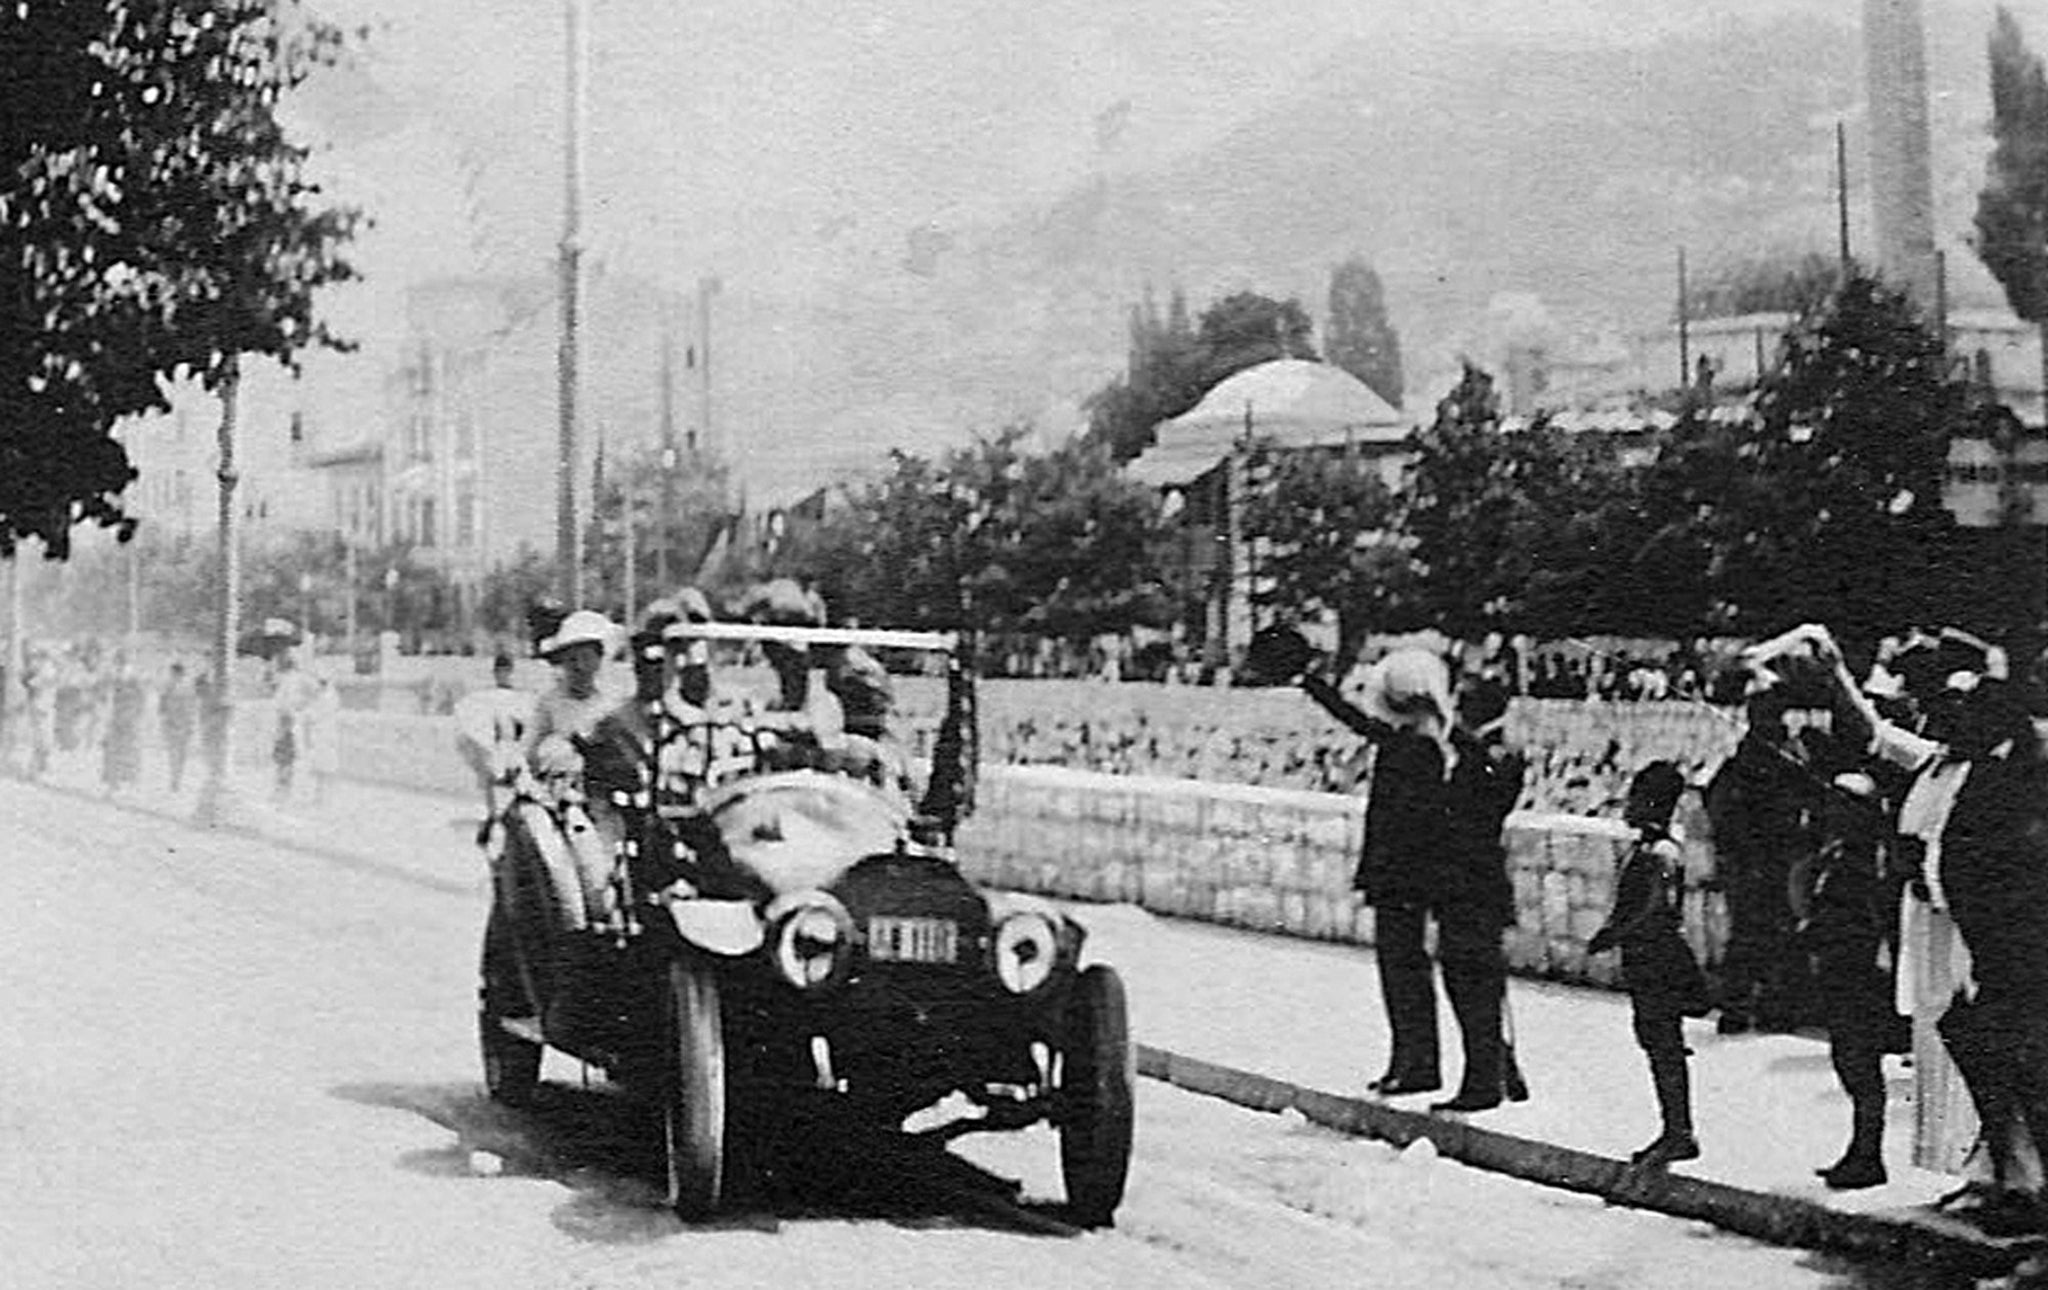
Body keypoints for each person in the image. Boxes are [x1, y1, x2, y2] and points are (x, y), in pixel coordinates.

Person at [1798, 622, 2048, 1233]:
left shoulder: (2006, 776)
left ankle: (2016, 1182)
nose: (1946, 717)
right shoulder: (1938, 763)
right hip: (1937, 928)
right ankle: (1985, 1176)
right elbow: (1873, 733)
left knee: (1998, 1050)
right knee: (1950, 1050)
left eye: (1959, 707)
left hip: (1978, 931)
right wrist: (1834, 675)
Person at [1250, 626, 1523, 1113]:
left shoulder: (1430, 748)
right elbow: (1364, 722)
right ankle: (1431, 1065)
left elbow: (1365, 724)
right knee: (1426, 972)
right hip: (1421, 874)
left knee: (1423, 971)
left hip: (1421, 875)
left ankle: (1443, 1067)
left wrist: (1311, 683)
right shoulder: (1429, 744)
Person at [1587, 761, 1712, 1168]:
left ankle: (1678, 1131)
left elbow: (1653, 907)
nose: (1629, 804)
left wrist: (1614, 933)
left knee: (1663, 1045)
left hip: (1657, 958)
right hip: (1648, 957)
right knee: (1656, 1041)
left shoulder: (1660, 852)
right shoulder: (1649, 848)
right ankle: (1675, 1129)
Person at [1795, 769, 1905, 1189]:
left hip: (1859, 973)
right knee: (1849, 1062)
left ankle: (1867, 1155)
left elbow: (1875, 918)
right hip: (1838, 969)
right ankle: (1860, 1151)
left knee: (1860, 1065)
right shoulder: (1838, 853)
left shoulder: (1870, 860)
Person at [1704, 668, 1820, 1033]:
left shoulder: (1753, 758)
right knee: (1770, 932)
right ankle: (1765, 1007)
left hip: (1761, 859)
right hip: (1766, 858)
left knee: (1753, 933)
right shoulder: (1773, 757)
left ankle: (1747, 1007)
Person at [454, 653, 537, 830]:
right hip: (499, 745)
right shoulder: (487, 697)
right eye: (499, 671)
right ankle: (492, 816)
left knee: (521, 780)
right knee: (491, 778)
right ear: (495, 673)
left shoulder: (521, 697)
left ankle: (519, 819)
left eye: (506, 671)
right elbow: (475, 721)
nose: (503, 675)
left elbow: (530, 722)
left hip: (517, 745)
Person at [99, 651, 145, 794]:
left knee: (127, 751)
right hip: (116, 718)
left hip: (128, 720)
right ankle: (114, 784)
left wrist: (134, 714)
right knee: (112, 751)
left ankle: (128, 783)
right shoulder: (114, 677)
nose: (117, 665)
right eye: (117, 662)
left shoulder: (131, 677)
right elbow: (106, 696)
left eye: (119, 662)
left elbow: (140, 698)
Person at [158, 662, 198, 793]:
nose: (173, 676)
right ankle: (174, 778)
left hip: (183, 725)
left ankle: (177, 778)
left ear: (181, 674)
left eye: (175, 673)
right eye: (172, 674)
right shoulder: (167, 687)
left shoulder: (187, 688)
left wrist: (190, 724)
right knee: (173, 754)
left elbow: (192, 708)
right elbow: (161, 707)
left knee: (181, 755)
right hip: (171, 724)